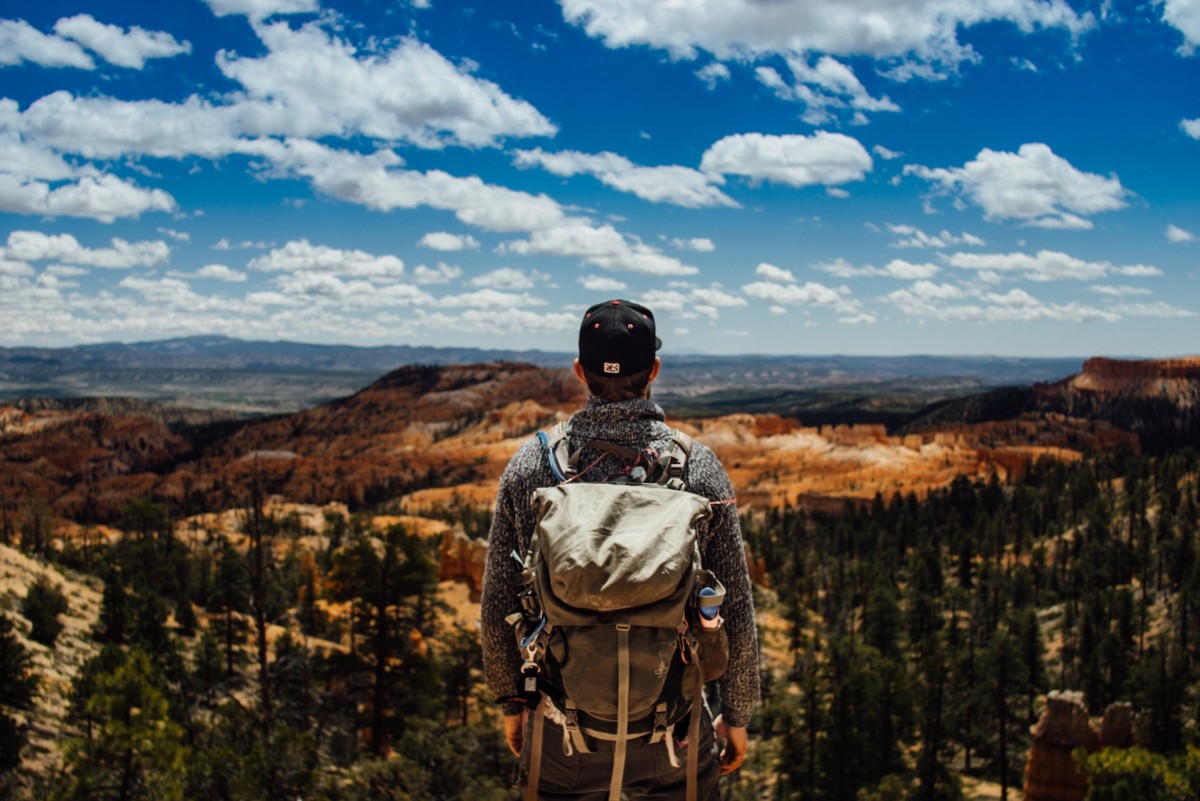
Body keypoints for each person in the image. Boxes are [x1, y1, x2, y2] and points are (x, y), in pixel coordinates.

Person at [480, 299, 760, 800]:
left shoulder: (533, 466)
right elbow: (733, 606)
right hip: (672, 732)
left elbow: (498, 601)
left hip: (560, 729)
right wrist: (737, 715)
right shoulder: (698, 469)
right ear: (653, 370)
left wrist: (511, 703)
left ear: (579, 371)